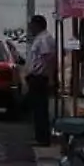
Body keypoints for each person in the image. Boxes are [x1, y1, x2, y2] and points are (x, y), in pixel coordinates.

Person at [24, 15, 56, 146]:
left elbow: (49, 59)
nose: (29, 27)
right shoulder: (39, 38)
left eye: (31, 25)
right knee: (37, 109)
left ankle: (43, 139)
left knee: (40, 109)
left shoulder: (44, 39)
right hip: (35, 77)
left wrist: (50, 79)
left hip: (40, 78)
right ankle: (39, 137)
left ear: (38, 25)